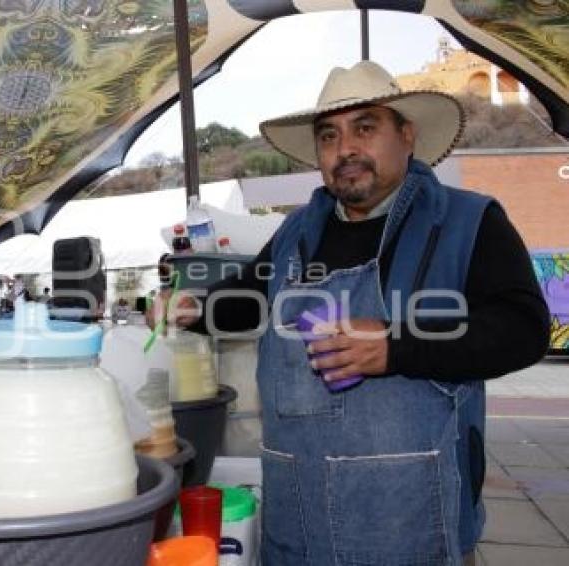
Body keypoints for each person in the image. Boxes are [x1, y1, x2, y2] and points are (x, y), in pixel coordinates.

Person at [148, 61, 550, 565]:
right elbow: (245, 297)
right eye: (329, 136)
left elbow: (523, 329)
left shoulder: (469, 222)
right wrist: (190, 306)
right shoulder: (298, 231)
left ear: (406, 135)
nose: (346, 149)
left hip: (411, 523)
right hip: (298, 520)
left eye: (365, 127)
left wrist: (396, 345)